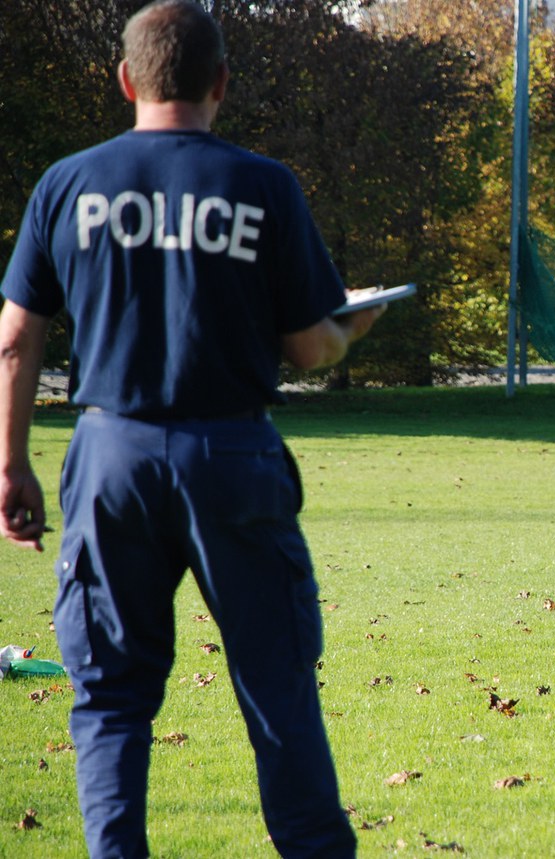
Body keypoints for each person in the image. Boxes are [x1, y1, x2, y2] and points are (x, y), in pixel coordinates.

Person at [0, 2, 384, 856]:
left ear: (127, 79)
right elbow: (308, 343)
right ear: (221, 82)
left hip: (108, 454)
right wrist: (348, 327)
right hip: (232, 454)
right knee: (276, 689)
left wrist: (10, 464)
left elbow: (17, 334)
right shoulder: (263, 185)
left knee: (109, 698)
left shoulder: (67, 184)